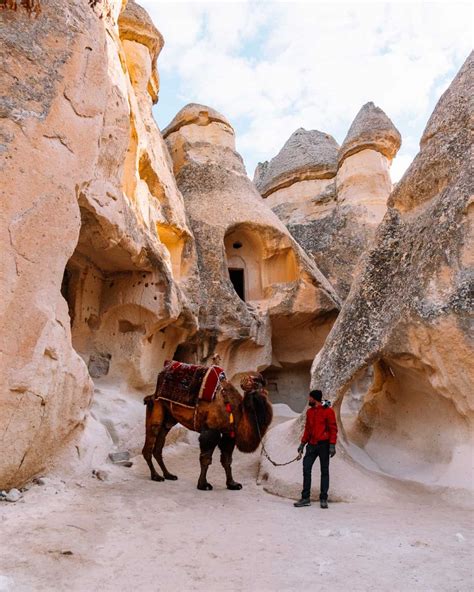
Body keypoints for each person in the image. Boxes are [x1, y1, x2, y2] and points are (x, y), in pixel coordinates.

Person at [294, 389, 337, 509]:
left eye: (310, 398)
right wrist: (302, 444)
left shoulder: (328, 411)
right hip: (311, 445)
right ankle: (305, 498)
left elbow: (333, 429)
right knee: (306, 468)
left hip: (324, 445)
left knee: (324, 471)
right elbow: (307, 429)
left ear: (315, 399)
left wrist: (332, 445)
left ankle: (323, 498)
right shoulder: (310, 412)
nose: (309, 399)